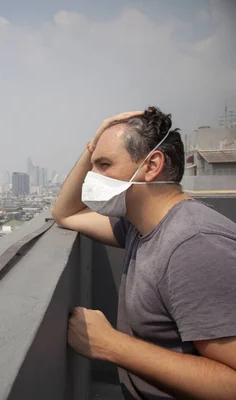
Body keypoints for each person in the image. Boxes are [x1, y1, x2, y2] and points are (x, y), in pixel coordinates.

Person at [51, 107, 236, 400]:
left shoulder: (194, 245)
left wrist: (111, 344)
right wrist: (93, 145)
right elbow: (65, 213)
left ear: (151, 166)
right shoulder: (137, 227)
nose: (92, 176)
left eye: (104, 164)